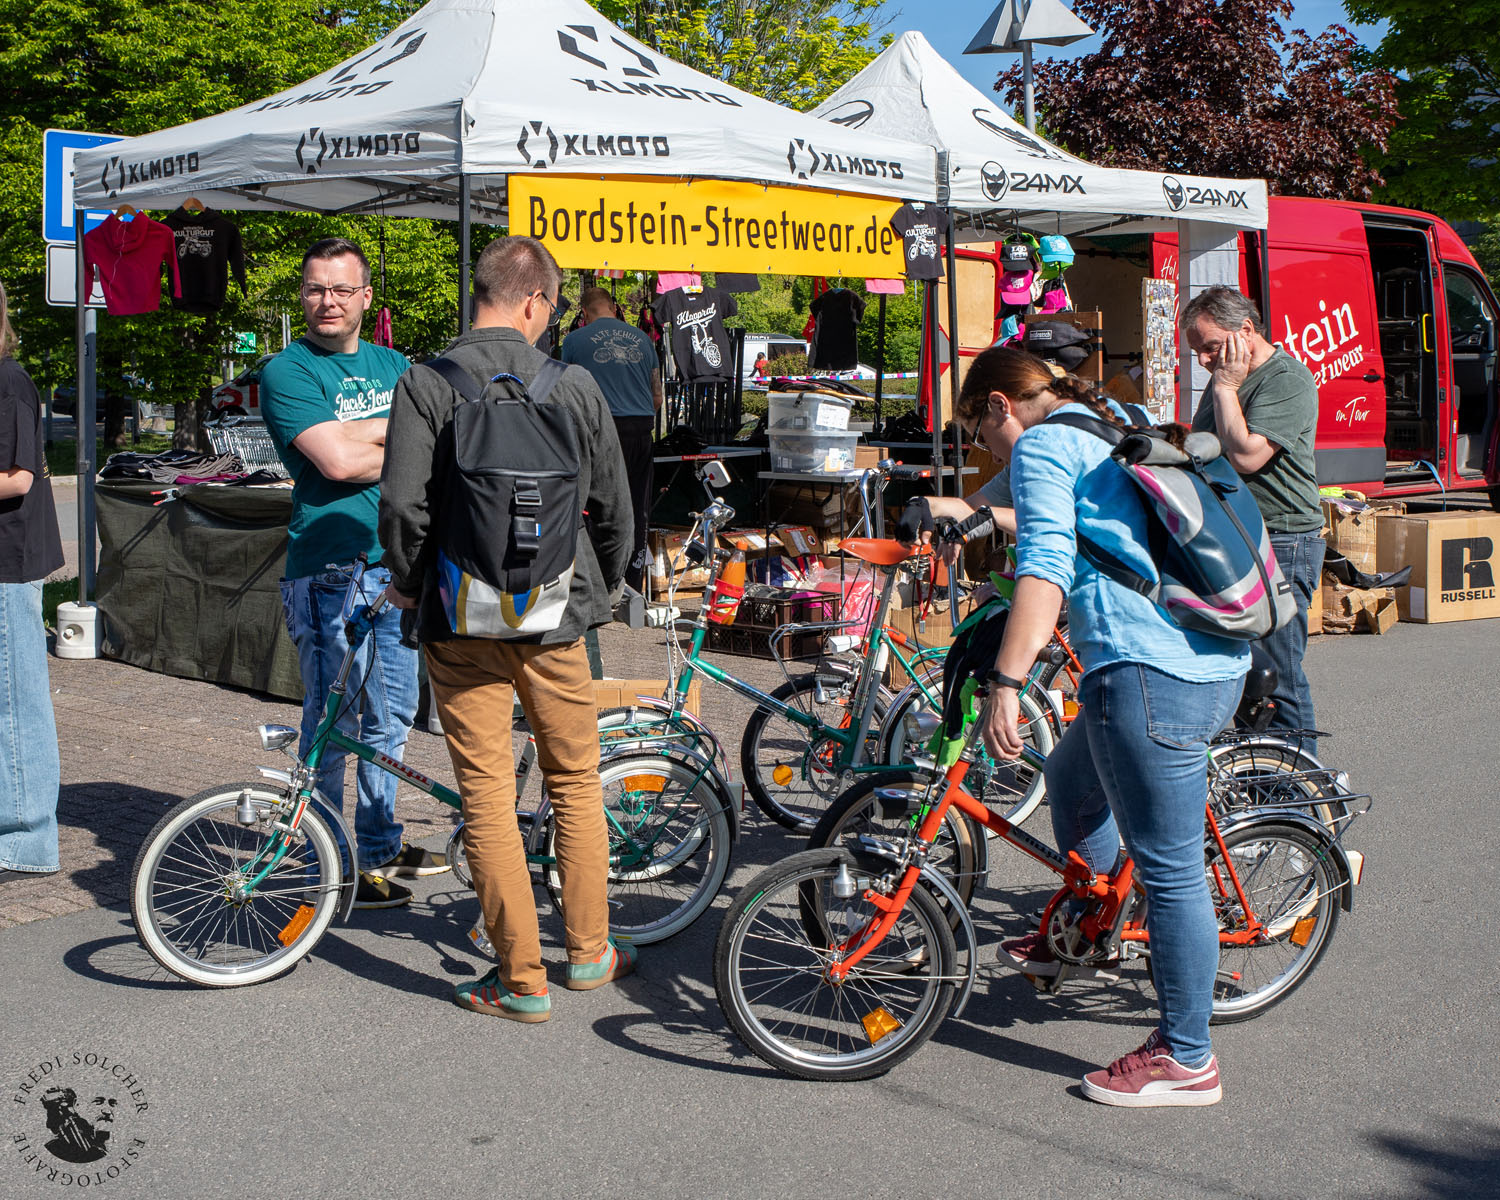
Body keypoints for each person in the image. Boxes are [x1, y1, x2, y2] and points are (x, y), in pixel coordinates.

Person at [952, 345, 1248, 1107]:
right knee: (1071, 781)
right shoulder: (1121, 416)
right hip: (1207, 649)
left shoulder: (1046, 443)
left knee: (1171, 871)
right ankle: (1089, 923)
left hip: (1151, 672)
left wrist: (1007, 683)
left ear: (999, 407)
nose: (988, 450)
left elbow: (1045, 566)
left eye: (981, 433)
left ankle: (1188, 1058)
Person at [380, 237, 634, 1023]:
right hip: (557, 616)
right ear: (533, 301)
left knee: (487, 797)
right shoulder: (575, 385)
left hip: (460, 619)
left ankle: (520, 981)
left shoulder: (424, 383)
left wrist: (413, 585)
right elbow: (617, 510)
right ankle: (588, 953)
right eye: (552, 310)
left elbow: (401, 509)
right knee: (574, 782)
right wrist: (605, 585)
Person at [261, 237, 443, 910]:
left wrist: (359, 436)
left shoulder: (394, 361)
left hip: (392, 569)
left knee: (389, 719)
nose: (327, 301)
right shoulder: (288, 371)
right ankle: (324, 856)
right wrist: (394, 438)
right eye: (315, 288)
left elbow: (433, 450)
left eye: (341, 289)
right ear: (302, 295)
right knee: (330, 721)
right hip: (328, 573)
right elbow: (335, 464)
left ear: (367, 297)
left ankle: (377, 850)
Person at [1183, 285, 1323, 744]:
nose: (1204, 360)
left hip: (1282, 539)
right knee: (1250, 674)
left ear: (1246, 330)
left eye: (1209, 346)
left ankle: (1305, 791)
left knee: (1277, 674)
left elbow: (1245, 455)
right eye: (1197, 352)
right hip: (1241, 536)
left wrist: (1225, 386)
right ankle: (1263, 778)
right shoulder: (1230, 374)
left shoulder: (1286, 378)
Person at [0, 278, 64, 885]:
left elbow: (17, 477)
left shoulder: (7, 377)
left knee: (14, 704)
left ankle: (25, 840)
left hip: (8, 563)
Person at [562, 286, 662, 592]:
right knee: (636, 504)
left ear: (584, 313)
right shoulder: (643, 340)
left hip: (600, 428)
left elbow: (565, 389)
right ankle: (632, 581)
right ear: (614, 307)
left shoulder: (574, 341)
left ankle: (599, 581)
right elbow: (657, 394)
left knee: (595, 505)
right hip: (640, 428)